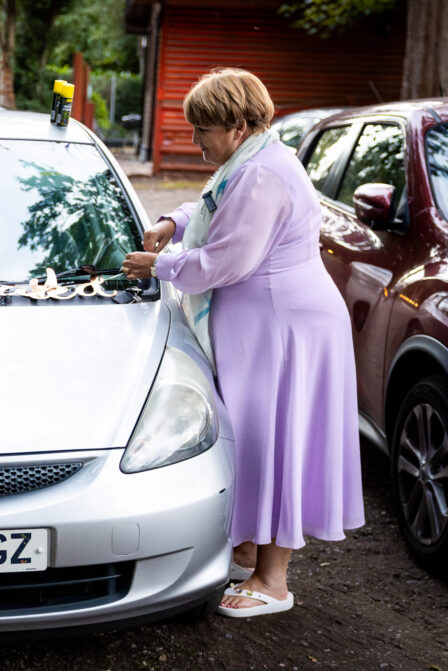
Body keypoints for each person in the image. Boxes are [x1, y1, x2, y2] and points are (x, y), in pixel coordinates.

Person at [121, 68, 364, 618]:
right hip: (265, 324)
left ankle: (273, 581)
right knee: (253, 438)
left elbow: (227, 258)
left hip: (283, 328)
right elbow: (215, 207)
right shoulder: (253, 159)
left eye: (202, 130)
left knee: (277, 443)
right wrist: (174, 220)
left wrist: (160, 264)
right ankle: (250, 546)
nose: (195, 141)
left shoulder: (266, 173)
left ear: (237, 124)